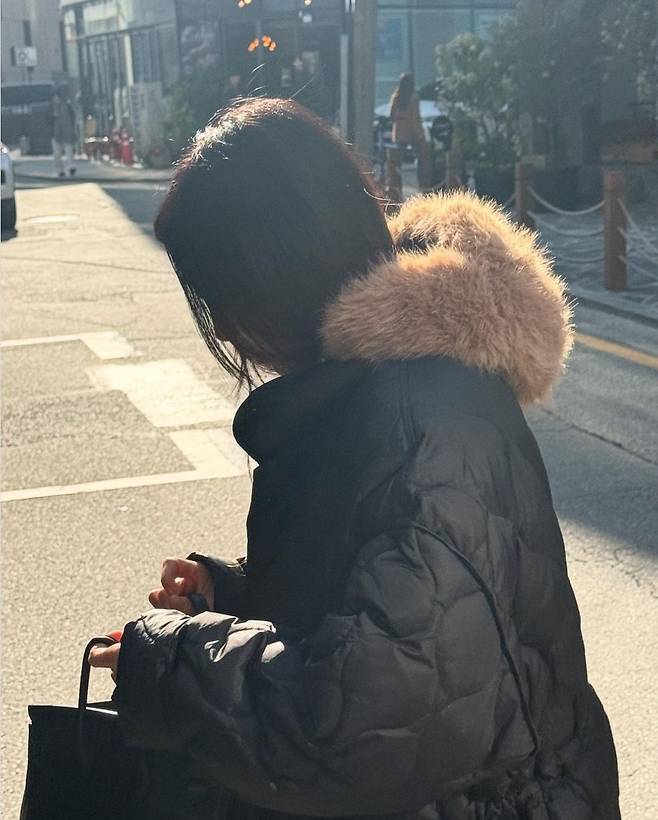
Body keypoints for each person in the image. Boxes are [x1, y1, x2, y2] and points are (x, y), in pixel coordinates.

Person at [90, 98, 620, 819]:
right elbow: (394, 610)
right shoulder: (390, 390)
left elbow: (360, 730)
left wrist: (172, 663)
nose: (229, 335)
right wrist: (238, 596)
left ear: (269, 283)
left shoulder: (418, 425)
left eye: (221, 301)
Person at [386, 73, 431, 201]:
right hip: (412, 135)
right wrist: (421, 136)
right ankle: (424, 187)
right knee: (424, 158)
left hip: (399, 136)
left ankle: (396, 191)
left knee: (395, 165)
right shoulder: (414, 98)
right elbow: (415, 119)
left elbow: (391, 116)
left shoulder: (396, 98)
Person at [50, 90, 77, 178]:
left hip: (67, 132)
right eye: (55, 97)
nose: (56, 99)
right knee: (57, 154)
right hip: (55, 134)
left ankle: (71, 167)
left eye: (57, 97)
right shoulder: (51, 108)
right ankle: (60, 170)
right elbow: (47, 120)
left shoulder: (67, 106)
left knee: (69, 151)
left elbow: (73, 118)